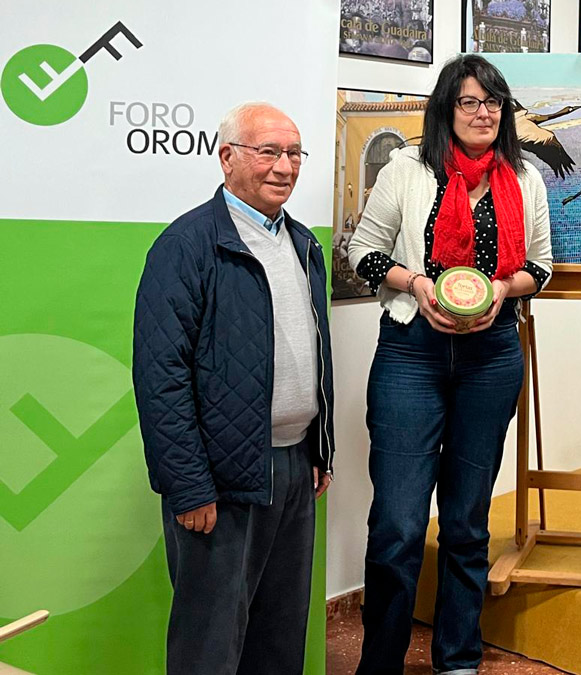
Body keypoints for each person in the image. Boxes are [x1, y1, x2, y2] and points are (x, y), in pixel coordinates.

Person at [347, 54, 553, 675]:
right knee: (398, 526)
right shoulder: (407, 170)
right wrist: (417, 285)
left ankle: (458, 659)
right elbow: (364, 252)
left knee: (466, 522)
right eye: (469, 101)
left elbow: (539, 268)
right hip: (412, 351)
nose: (483, 112)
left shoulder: (526, 177)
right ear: (446, 108)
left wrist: (500, 291)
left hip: (491, 357)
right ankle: (379, 662)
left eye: (493, 102)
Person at [132, 102, 335, 674]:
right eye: (269, 151)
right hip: (221, 480)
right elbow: (160, 376)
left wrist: (317, 449)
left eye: (294, 153)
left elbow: (313, 355)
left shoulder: (301, 243)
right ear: (227, 158)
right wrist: (189, 487)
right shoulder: (187, 245)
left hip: (294, 469)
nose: (285, 167)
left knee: (280, 634)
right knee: (211, 641)